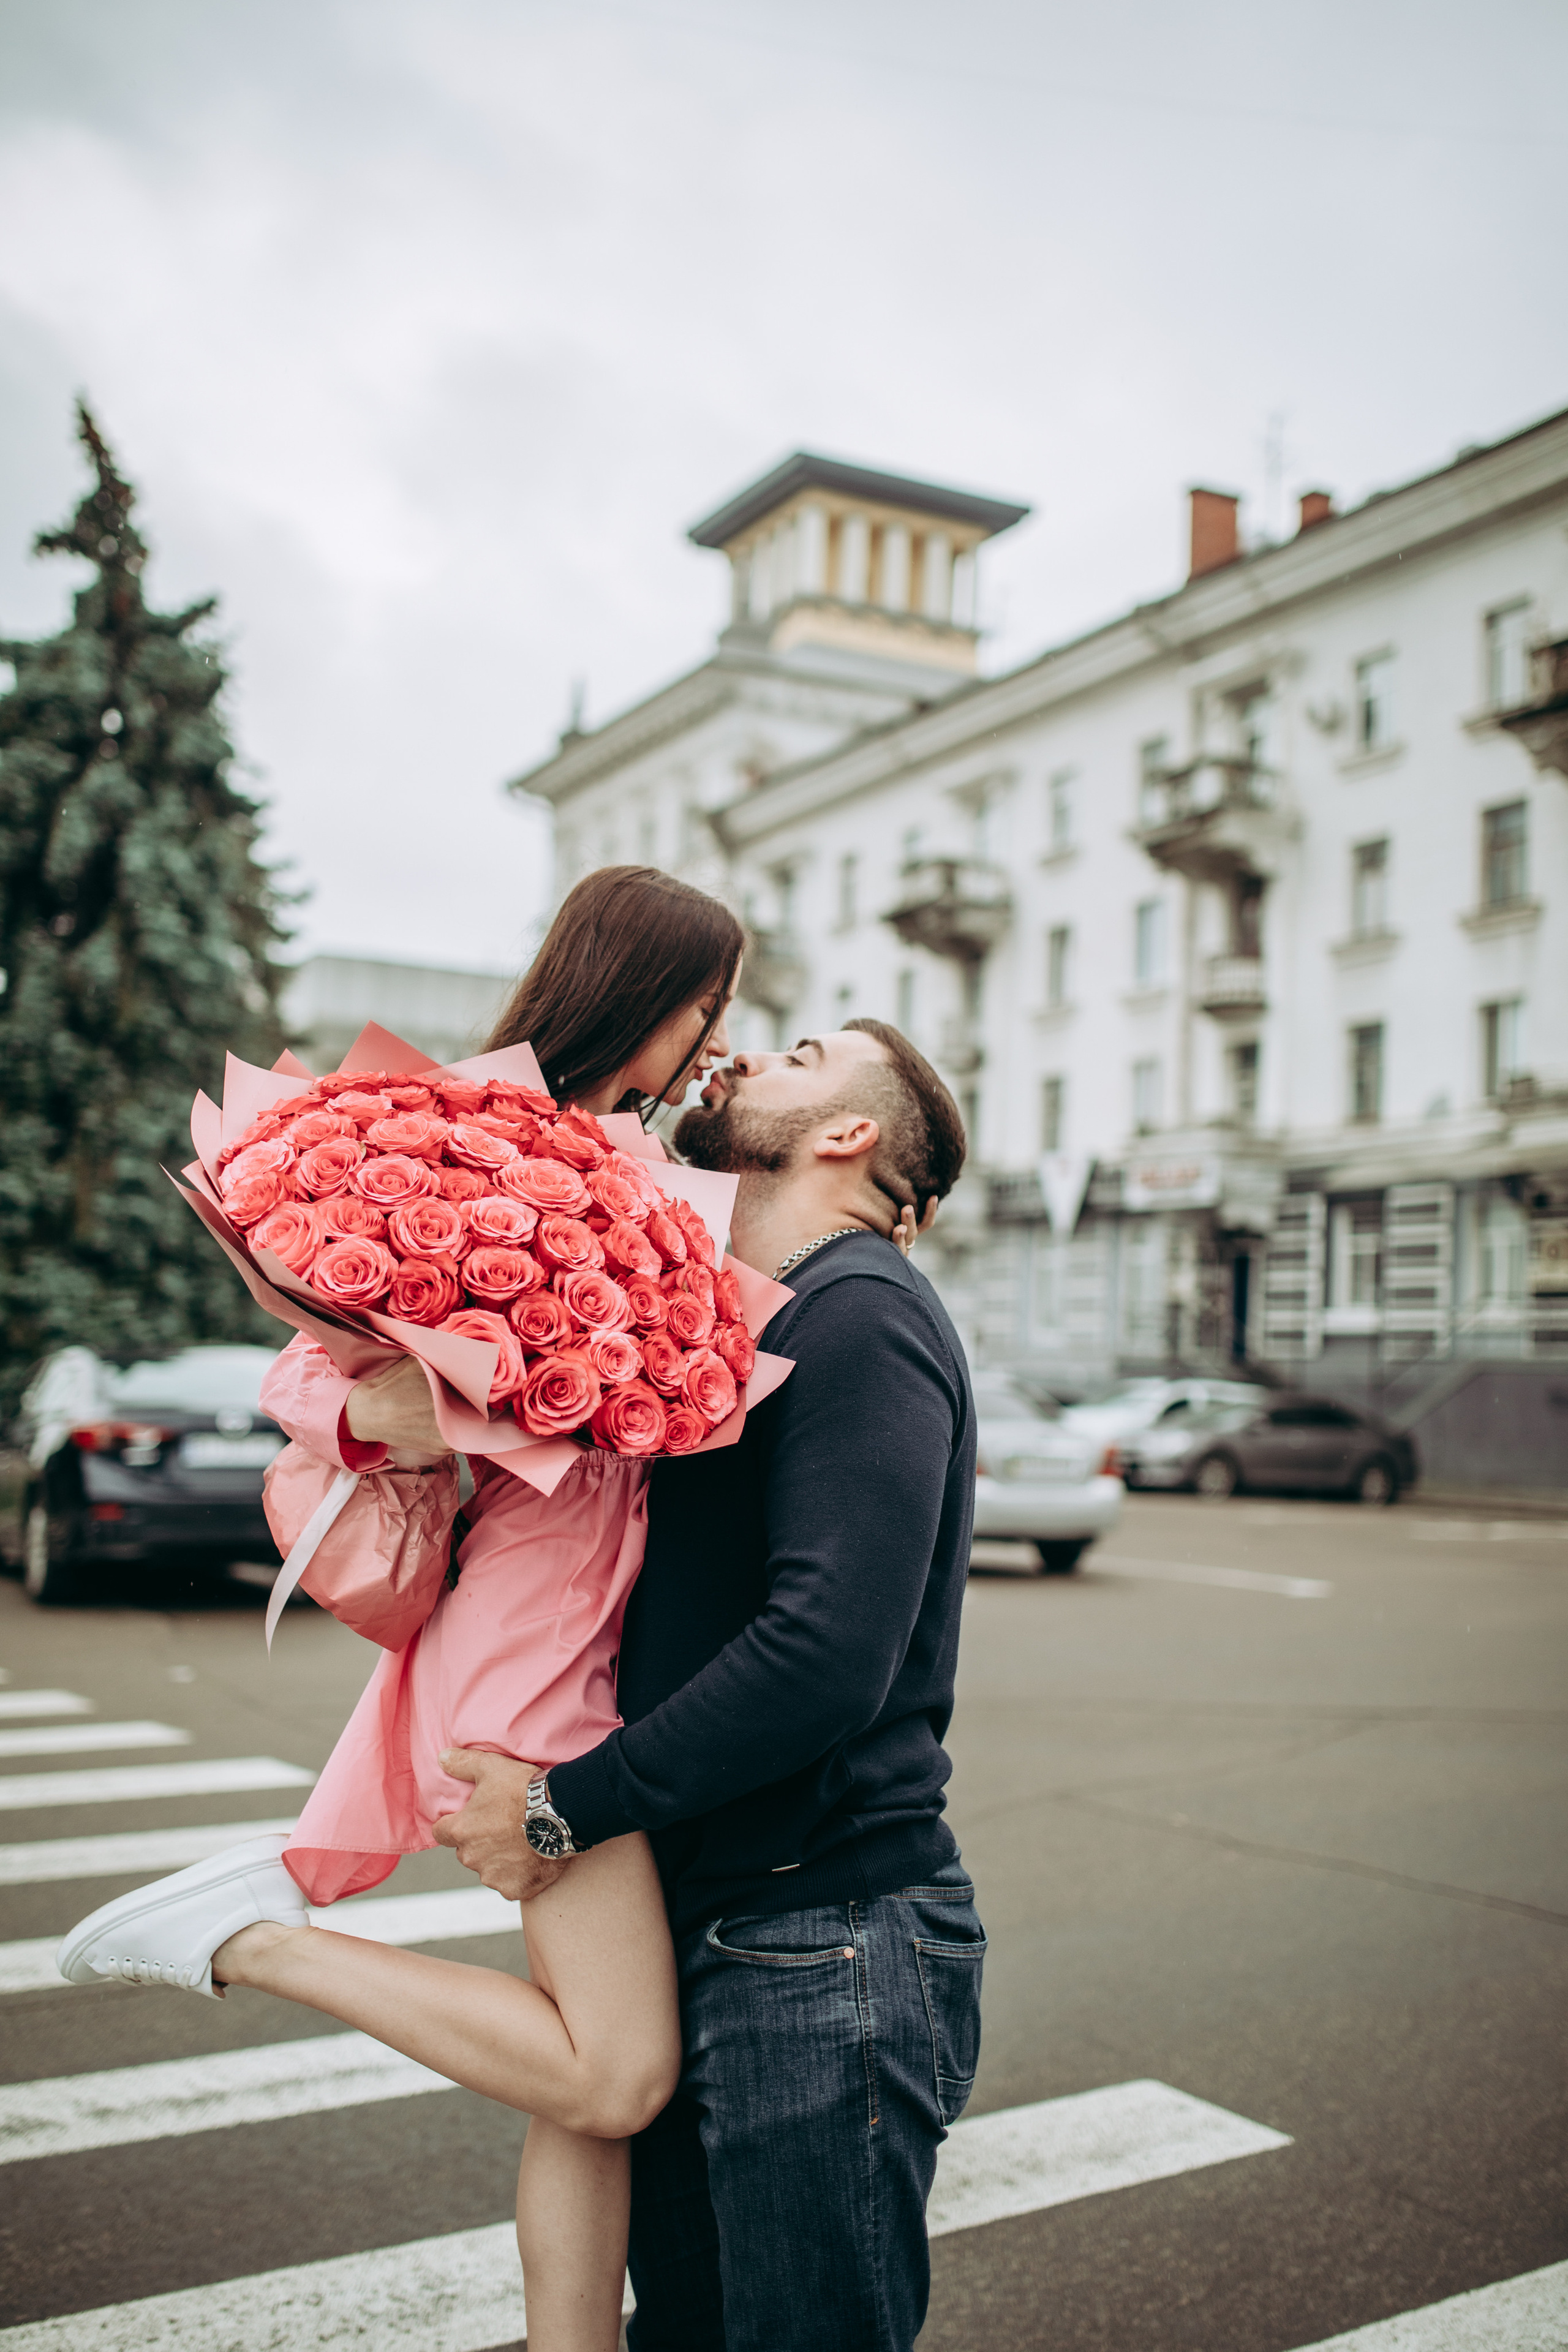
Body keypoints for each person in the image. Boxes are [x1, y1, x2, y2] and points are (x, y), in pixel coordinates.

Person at [60, 866, 803, 2352]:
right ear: (641, 993)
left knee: (573, 2095)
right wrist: (434, 1412)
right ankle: (250, 1937)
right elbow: (309, 1381)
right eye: (705, 1008)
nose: (712, 1044)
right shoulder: (472, 1141)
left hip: (567, 1643)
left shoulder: (615, 1173)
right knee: (617, 2074)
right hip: (538, 1673)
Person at [432, 1019, 982, 2352]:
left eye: (798, 1054)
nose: (740, 1062)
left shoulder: (859, 1317)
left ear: (848, 1133)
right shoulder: (745, 1317)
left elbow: (826, 1654)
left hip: (821, 1942)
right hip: (730, 1935)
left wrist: (562, 1807)